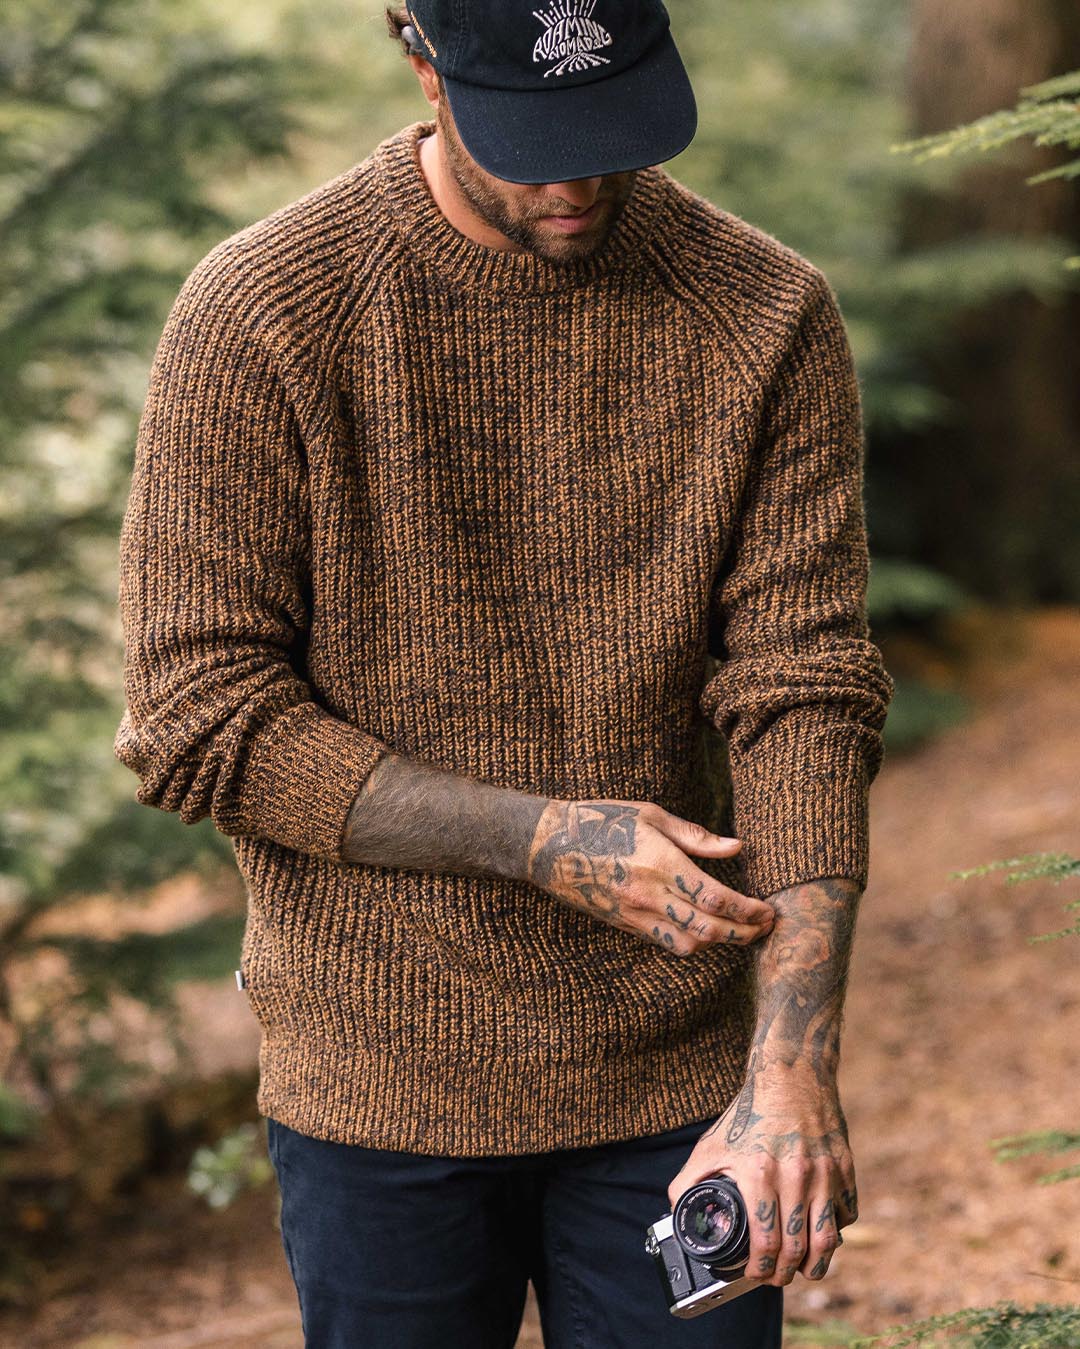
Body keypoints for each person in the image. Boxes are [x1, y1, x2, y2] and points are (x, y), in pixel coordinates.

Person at [114, 0, 895, 1344]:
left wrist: (789, 1066)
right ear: (419, 56)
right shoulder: (263, 313)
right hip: (380, 1081)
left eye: (612, 128)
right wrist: (541, 841)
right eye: (532, 139)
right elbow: (199, 719)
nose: (577, 180)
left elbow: (805, 688)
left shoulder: (765, 313)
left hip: (682, 1084)